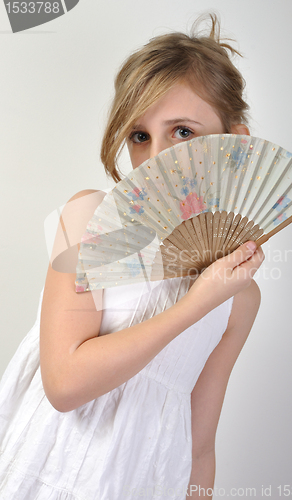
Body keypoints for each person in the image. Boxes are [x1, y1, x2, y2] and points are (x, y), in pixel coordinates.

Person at [0, 14, 265, 499]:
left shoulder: (239, 297)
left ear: (235, 145)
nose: (158, 155)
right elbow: (64, 385)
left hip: (143, 482)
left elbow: (200, 442)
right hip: (50, 473)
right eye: (140, 136)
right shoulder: (94, 221)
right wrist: (195, 304)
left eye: (183, 132)